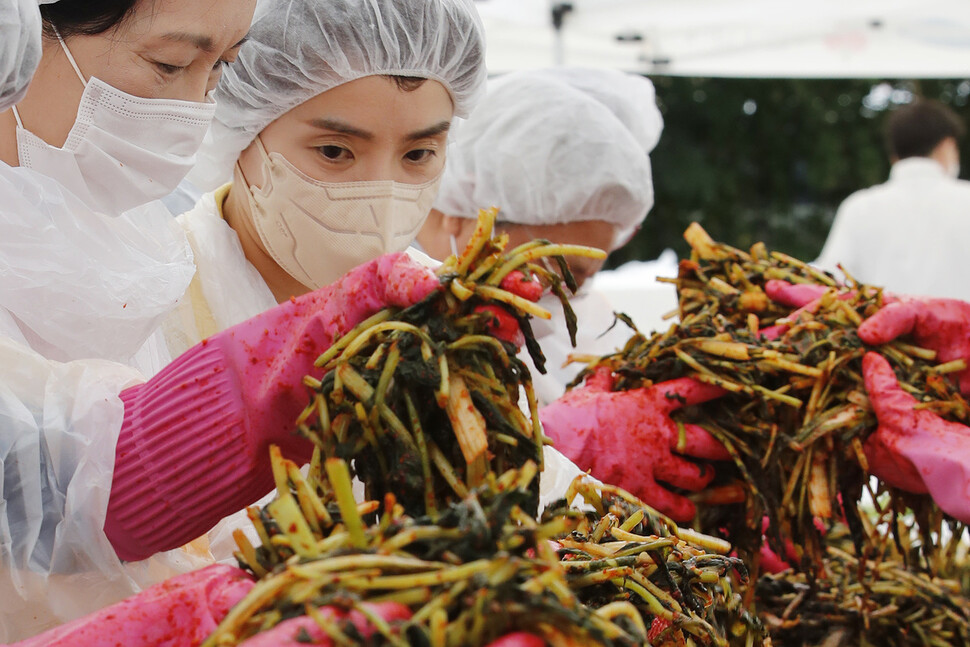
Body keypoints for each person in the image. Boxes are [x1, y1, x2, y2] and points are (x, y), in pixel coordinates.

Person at [416, 67, 664, 406]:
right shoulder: (373, 295)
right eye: (562, 270)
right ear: (469, 211)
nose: (568, 295)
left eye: (585, 279)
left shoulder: (571, 326)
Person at [814, 99, 970, 300]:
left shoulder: (859, 208)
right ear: (946, 146)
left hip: (879, 330)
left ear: (894, 156)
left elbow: (828, 282)